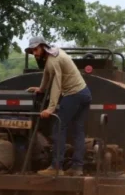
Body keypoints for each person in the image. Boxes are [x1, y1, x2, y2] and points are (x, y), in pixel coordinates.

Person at [25, 36, 93, 176]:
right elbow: (47, 74)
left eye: (36, 49)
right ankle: (77, 167)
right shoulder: (54, 53)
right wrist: (41, 88)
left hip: (74, 94)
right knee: (78, 130)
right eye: (32, 51)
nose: (35, 53)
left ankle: (56, 167)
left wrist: (51, 108)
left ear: (43, 47)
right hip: (85, 93)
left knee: (58, 127)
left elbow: (56, 85)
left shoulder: (53, 60)